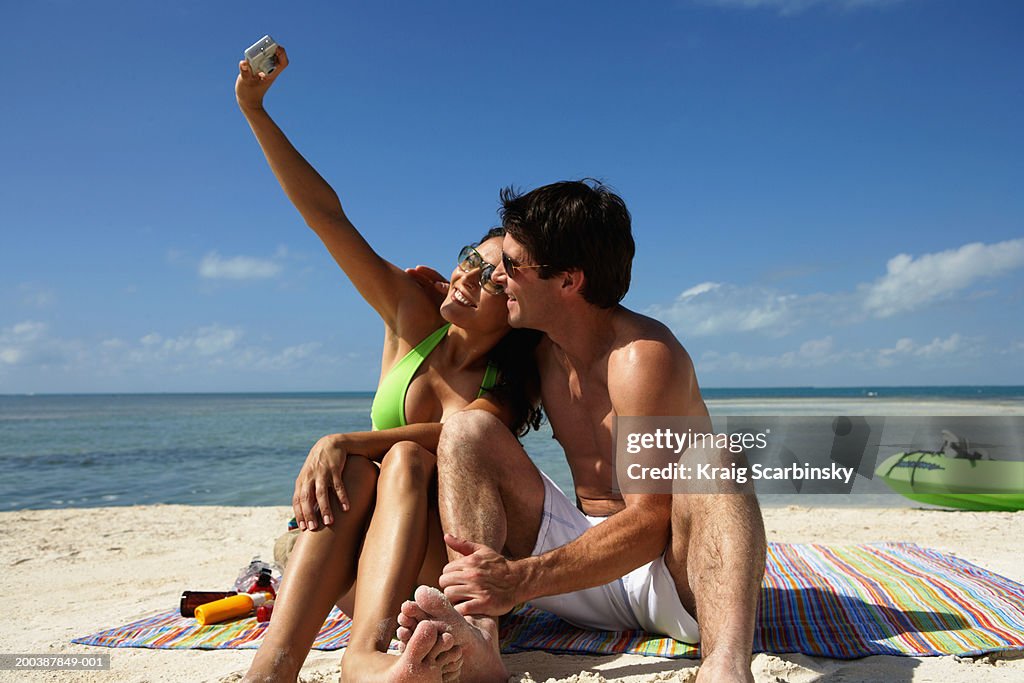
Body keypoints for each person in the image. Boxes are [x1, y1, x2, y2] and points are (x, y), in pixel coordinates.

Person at [234, 48, 542, 683]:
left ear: (512, 306)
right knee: (359, 467)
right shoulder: (411, 320)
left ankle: (364, 655)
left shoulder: (506, 383)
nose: (466, 275)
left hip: (434, 576)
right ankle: (275, 663)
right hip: (355, 559)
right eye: (468, 258)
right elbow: (327, 219)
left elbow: (453, 437)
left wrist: (344, 437)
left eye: (489, 277)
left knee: (396, 457)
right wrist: (255, 110)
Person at [396, 180, 767, 683]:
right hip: (577, 566)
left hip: (671, 580)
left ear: (568, 281)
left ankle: (724, 667)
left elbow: (651, 521)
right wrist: (440, 295)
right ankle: (481, 640)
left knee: (714, 458)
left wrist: (519, 579)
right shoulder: (537, 347)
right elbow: (461, 397)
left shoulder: (641, 358)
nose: (497, 278)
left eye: (511, 265)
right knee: (466, 431)